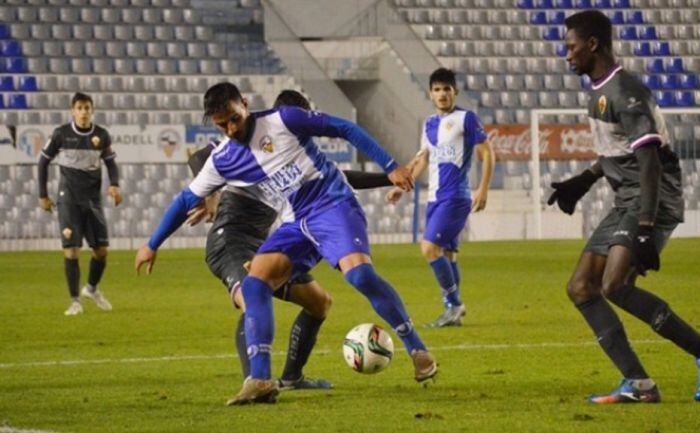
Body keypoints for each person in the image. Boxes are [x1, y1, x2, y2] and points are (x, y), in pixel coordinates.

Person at [134, 83, 437, 405]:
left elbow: (344, 128)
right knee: (256, 282)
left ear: (245, 104)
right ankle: (261, 379)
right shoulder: (223, 159)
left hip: (332, 205)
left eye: (235, 119)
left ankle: (418, 349)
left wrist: (390, 167)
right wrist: (152, 244)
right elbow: (185, 199)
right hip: (294, 222)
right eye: (222, 124)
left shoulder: (283, 120)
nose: (231, 129)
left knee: (359, 276)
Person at [551, 10, 700, 404]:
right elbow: (616, 154)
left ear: (592, 44)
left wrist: (646, 225)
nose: (566, 55)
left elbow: (649, 161)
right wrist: (581, 182)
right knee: (582, 287)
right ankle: (638, 383)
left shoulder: (625, 92)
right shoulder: (598, 93)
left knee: (615, 285)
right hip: (627, 198)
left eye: (571, 46)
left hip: (653, 197)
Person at [185, 90, 396, 390]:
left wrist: (392, 176)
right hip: (229, 241)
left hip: (262, 243)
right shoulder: (242, 142)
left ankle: (293, 377)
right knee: (251, 298)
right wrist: (210, 194)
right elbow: (198, 155)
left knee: (319, 303)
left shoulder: (288, 154)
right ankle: (256, 382)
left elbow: (342, 176)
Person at [386, 68, 494, 327]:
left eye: (447, 89)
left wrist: (483, 188)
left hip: (456, 196)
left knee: (429, 248)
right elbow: (423, 158)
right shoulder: (429, 124)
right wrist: (403, 185)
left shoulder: (466, 119)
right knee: (447, 255)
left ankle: (455, 305)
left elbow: (488, 153)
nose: (442, 94)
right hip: (435, 197)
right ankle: (452, 311)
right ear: (431, 94)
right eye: (437, 89)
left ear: (455, 91)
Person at [38, 92, 122, 316]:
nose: (84, 112)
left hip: (93, 201)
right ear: (72, 111)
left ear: (92, 110)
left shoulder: (101, 135)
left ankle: (91, 289)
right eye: (80, 108)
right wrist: (42, 195)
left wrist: (115, 184)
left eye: (87, 108)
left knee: (101, 251)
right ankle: (75, 301)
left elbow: (111, 163)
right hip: (69, 201)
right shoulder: (61, 134)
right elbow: (43, 162)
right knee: (71, 251)